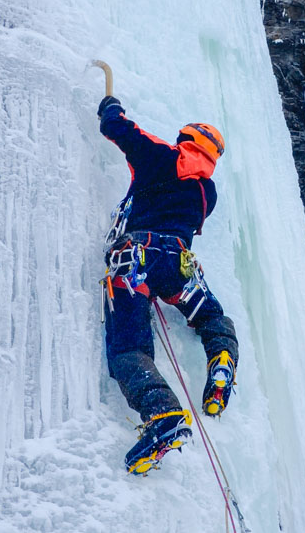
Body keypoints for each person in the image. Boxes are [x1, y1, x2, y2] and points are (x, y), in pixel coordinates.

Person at [97, 95, 238, 475]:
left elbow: (119, 131)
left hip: (137, 260)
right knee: (210, 315)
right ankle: (221, 358)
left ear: (184, 139)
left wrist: (111, 108)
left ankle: (164, 415)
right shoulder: (207, 192)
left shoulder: (160, 155)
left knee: (129, 349)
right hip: (179, 266)